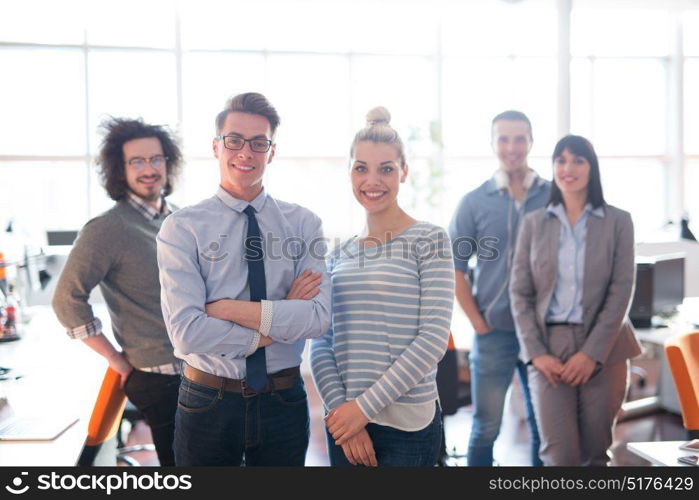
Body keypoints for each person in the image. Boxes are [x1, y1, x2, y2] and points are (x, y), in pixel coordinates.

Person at [157, 92, 331, 466]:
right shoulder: (181, 227)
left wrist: (226, 310)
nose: (245, 153)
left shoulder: (304, 224)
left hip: (283, 398)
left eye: (258, 143)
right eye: (234, 141)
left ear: (271, 151)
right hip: (207, 400)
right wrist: (278, 321)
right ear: (216, 146)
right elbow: (186, 332)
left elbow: (316, 319)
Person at [310, 107, 454, 467]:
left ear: (403, 172)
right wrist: (342, 413)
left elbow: (433, 339)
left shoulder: (430, 239)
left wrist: (363, 408)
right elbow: (321, 341)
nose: (372, 180)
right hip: (344, 424)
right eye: (361, 168)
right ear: (350, 173)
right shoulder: (338, 253)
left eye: (386, 168)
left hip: (407, 426)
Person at [52, 117, 183, 466]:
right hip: (159, 380)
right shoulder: (107, 229)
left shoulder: (181, 220)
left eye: (156, 159)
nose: (149, 169)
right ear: (119, 169)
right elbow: (67, 299)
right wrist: (113, 357)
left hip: (202, 372)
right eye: (136, 161)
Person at [509, 135, 642, 466]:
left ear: (591, 167)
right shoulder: (533, 224)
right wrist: (537, 353)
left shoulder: (619, 222)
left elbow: (621, 290)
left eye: (578, 160)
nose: (568, 168)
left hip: (605, 346)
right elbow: (520, 293)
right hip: (548, 346)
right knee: (559, 455)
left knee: (596, 453)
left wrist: (591, 354)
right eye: (560, 160)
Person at [448, 110, 549, 466]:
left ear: (531, 142)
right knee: (486, 427)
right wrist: (478, 322)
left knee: (544, 429)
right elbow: (454, 269)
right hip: (494, 333)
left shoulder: (553, 196)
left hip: (544, 334)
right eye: (503, 139)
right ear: (493, 144)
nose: (512, 147)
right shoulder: (474, 202)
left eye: (519, 138)